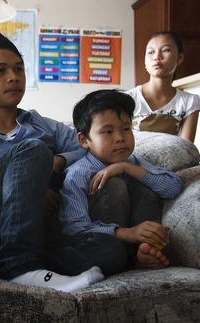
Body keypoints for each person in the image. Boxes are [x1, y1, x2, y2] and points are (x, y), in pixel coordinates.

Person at [0, 24, 105, 294]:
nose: (13, 77)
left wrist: (56, 162)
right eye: (0, 71)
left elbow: (90, 147)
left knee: (112, 250)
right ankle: (20, 266)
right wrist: (23, 191)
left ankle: (13, 265)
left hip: (39, 231)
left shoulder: (42, 124)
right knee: (33, 149)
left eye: (18, 69)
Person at [58, 89, 183, 272]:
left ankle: (143, 253)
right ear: (84, 140)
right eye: (107, 131)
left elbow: (174, 187)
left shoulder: (132, 161)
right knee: (113, 184)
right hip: (103, 247)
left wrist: (127, 168)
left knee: (145, 185)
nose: (120, 138)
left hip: (139, 240)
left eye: (126, 128)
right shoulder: (78, 174)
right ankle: (126, 259)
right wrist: (125, 233)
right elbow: (73, 227)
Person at [126, 31, 200, 143]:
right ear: (145, 61)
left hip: (171, 159)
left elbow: (186, 149)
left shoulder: (189, 101)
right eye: (151, 52)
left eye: (166, 50)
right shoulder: (128, 99)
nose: (157, 57)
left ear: (179, 58)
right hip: (130, 160)